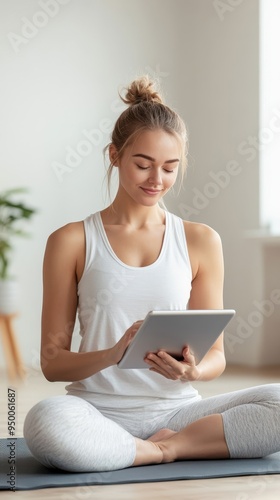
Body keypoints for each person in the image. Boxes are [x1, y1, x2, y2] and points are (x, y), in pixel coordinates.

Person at [24, 76, 280, 472]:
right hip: (98, 412)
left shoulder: (200, 240)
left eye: (169, 168)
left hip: (178, 412)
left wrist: (194, 370)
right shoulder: (71, 241)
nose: (156, 180)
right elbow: (53, 363)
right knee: (44, 423)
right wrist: (113, 354)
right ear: (114, 155)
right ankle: (162, 450)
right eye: (142, 165)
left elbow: (216, 358)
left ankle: (165, 447)